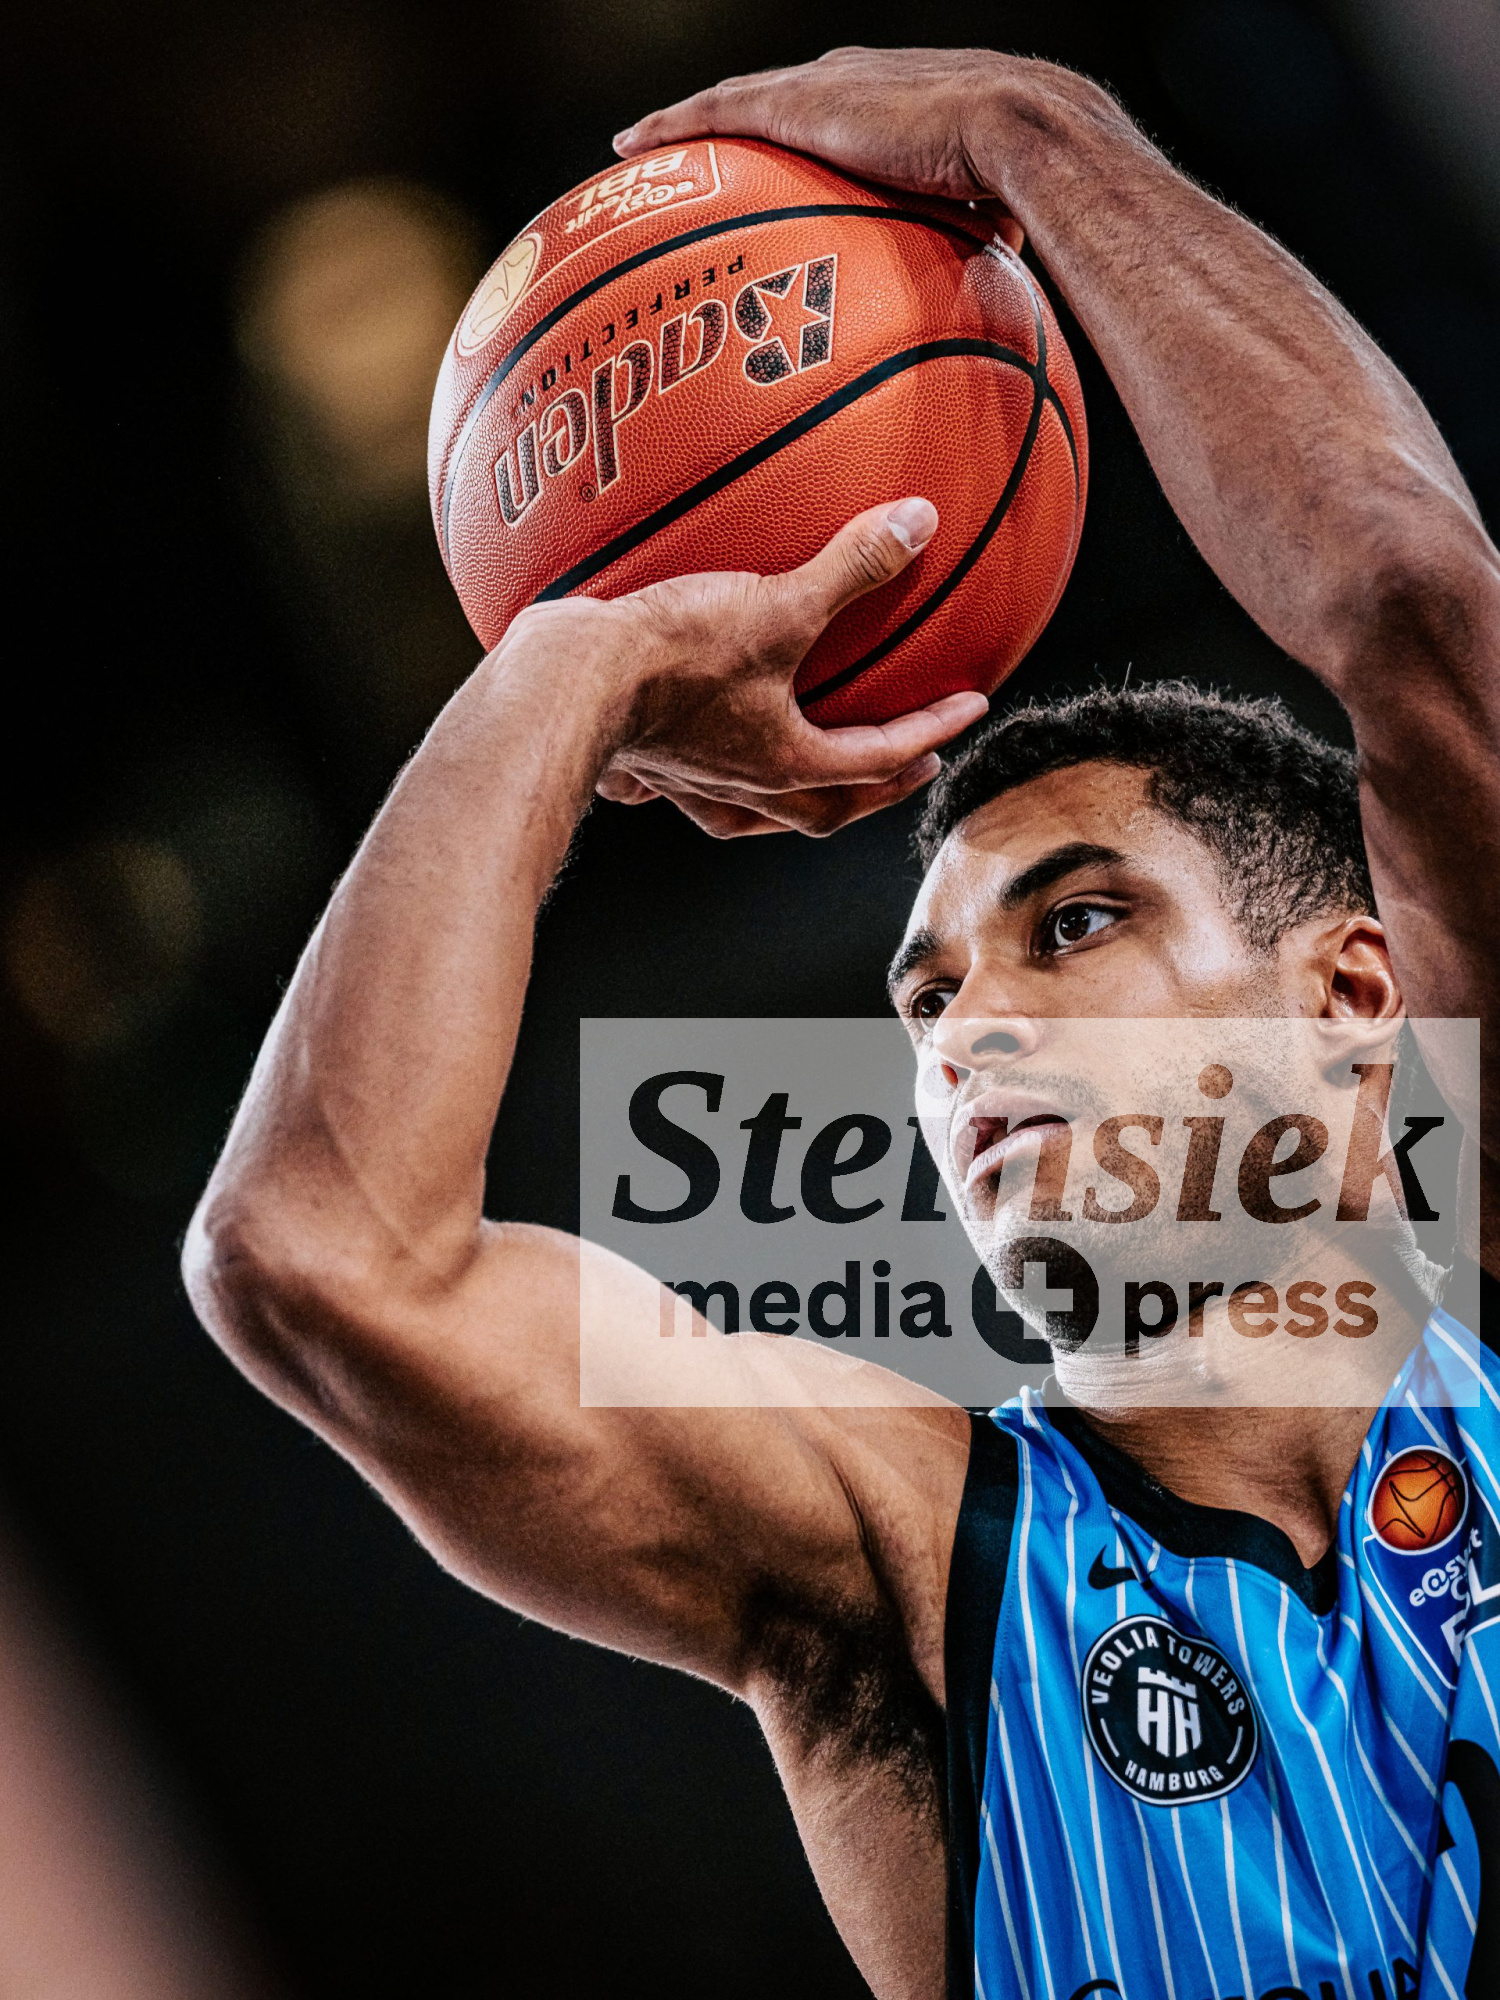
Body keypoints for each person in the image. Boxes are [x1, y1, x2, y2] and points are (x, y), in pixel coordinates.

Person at [184, 47, 1500, 2000]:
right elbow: (316, 1258)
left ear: (1354, 998)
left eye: (1077, 922)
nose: (971, 1032)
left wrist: (1035, 141)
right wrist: (574, 664)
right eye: (931, 994)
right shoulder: (913, 1569)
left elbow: (1414, 599)